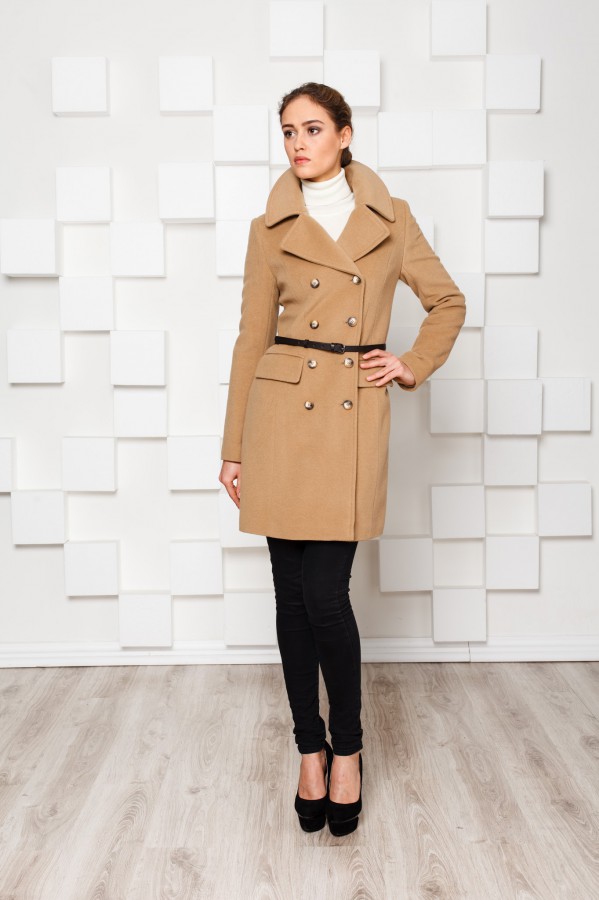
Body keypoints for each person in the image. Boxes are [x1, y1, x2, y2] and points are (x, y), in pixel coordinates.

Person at [218, 82, 466, 836]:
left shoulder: (390, 219)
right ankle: (309, 749)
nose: (298, 143)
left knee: (325, 595)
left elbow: (447, 301)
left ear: (345, 134)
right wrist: (232, 447)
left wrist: (410, 363)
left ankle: (348, 749)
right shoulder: (269, 227)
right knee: (290, 599)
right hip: (278, 417)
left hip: (349, 418)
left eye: (313, 128)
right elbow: (251, 337)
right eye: (287, 131)